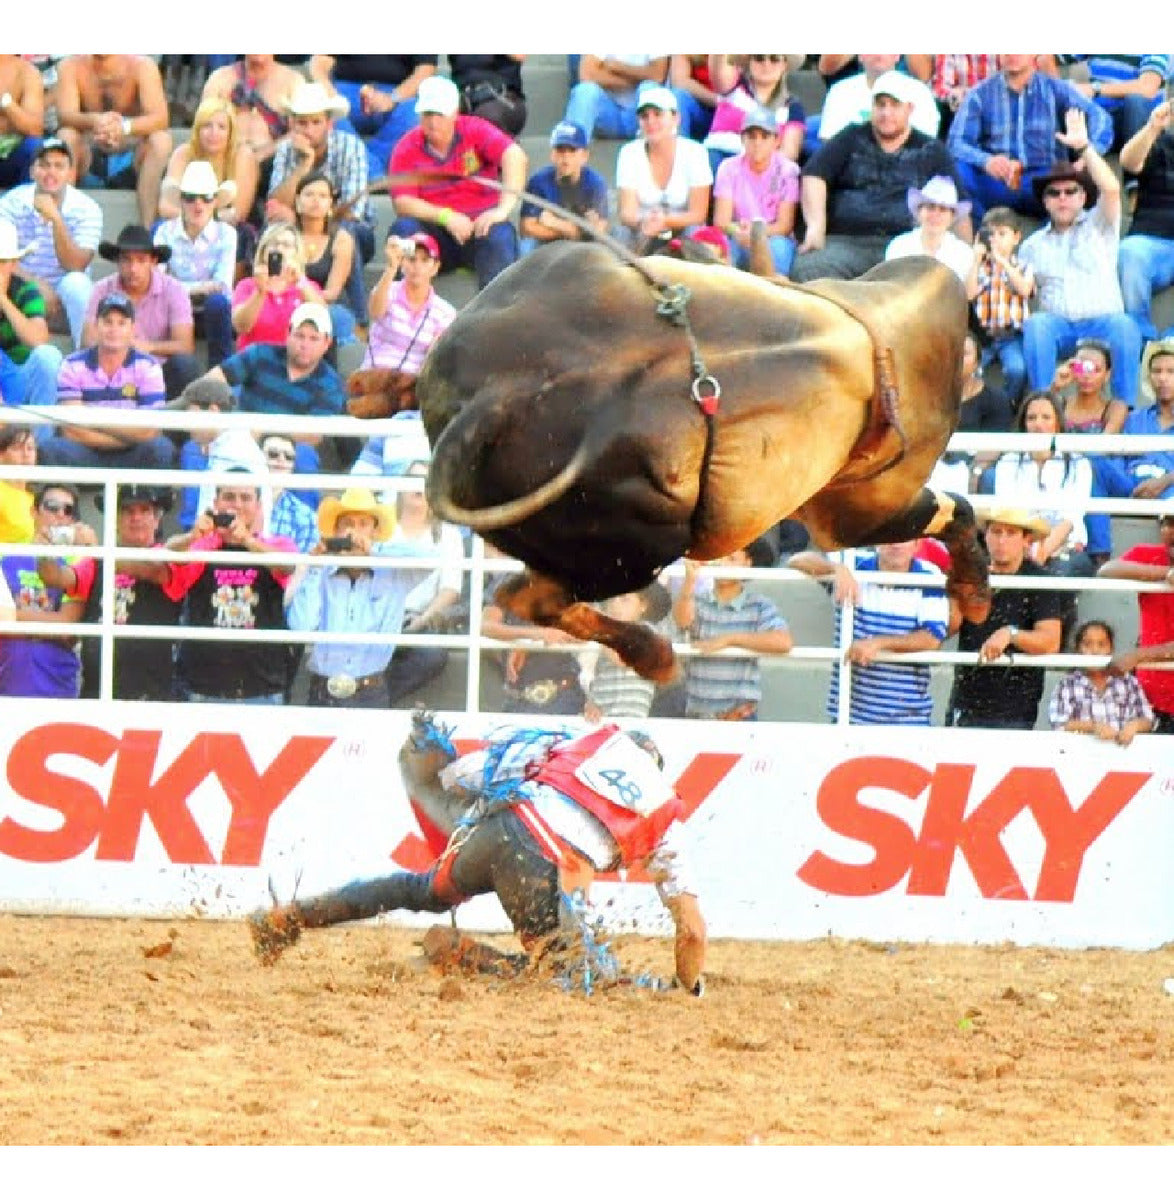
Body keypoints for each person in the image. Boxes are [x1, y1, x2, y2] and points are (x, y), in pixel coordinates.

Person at [249, 713, 707, 998]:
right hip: (539, 863)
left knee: (422, 889)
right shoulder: (664, 810)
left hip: (500, 827)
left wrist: (442, 778)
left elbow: (474, 771)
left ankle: (287, 918)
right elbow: (691, 931)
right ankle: (459, 953)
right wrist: (691, 987)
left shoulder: (578, 743)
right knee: (569, 981)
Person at [1017, 114, 1142, 409]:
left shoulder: (1101, 223)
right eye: (1054, 193)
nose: (1062, 198)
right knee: (1036, 325)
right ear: (1045, 201)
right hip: (1059, 328)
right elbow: (1024, 292)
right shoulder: (1031, 245)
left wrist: (1084, 147)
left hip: (1103, 324)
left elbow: (1111, 189)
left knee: (1125, 326)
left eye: (1070, 191)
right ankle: (1044, 407)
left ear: (1083, 196)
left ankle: (1124, 413)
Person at [791, 71, 964, 284]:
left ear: (909, 109)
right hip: (847, 243)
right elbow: (814, 175)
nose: (886, 112)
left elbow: (958, 201)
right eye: (880, 104)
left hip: (907, 246)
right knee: (808, 267)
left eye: (894, 105)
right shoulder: (850, 137)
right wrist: (816, 227)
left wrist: (965, 252)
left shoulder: (931, 149)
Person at [285, 487, 433, 708]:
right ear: (336, 531)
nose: (354, 533)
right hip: (322, 692)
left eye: (363, 524)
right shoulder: (320, 574)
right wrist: (315, 566)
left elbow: (432, 558)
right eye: (348, 524)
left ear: (375, 531)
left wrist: (375, 550)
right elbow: (300, 627)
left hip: (371, 691)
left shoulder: (394, 572)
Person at [40, 484, 184, 701]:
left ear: (157, 519)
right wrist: (44, 550)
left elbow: (151, 570)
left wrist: (97, 551)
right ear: (115, 520)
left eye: (144, 511)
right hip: (96, 694)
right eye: (127, 511)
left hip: (151, 697)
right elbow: (54, 577)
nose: (135, 518)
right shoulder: (96, 562)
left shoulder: (167, 557)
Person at [387, 75, 527, 292]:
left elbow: (514, 155)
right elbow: (402, 202)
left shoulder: (475, 129)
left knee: (500, 235)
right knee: (404, 229)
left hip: (481, 226)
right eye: (427, 114)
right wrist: (446, 216)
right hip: (434, 236)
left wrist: (503, 210)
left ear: (454, 113)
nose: (433, 122)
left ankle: (496, 313)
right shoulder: (406, 147)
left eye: (440, 114)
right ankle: (400, 308)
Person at [165, 478, 299, 704]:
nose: (237, 504)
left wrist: (246, 539)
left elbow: (286, 565)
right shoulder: (201, 546)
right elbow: (167, 554)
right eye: (229, 497)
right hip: (204, 689)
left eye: (245, 498)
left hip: (263, 688)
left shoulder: (277, 544)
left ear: (258, 506)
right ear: (215, 503)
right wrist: (193, 536)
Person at [787, 541, 949, 725]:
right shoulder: (853, 564)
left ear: (917, 544)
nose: (896, 544)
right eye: (889, 536)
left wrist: (877, 644)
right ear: (876, 541)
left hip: (908, 719)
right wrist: (835, 569)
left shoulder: (929, 576)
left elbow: (932, 639)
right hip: (849, 718)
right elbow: (796, 560)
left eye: (904, 538)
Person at [200, 301, 347, 493]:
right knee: (196, 447)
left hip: (289, 446)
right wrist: (216, 416)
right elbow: (212, 380)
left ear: (327, 343)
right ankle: (195, 522)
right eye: (299, 335)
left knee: (305, 456)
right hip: (240, 435)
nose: (305, 344)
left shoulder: (331, 382)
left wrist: (262, 431)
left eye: (313, 338)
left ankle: (302, 522)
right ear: (287, 334)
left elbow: (314, 434)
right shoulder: (261, 353)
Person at [947, 54, 1113, 222]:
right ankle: (982, 237)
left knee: (1083, 179)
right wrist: (986, 161)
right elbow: (956, 142)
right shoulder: (980, 94)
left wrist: (1088, 155)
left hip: (1046, 181)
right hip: (998, 180)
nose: (1013, 55)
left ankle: (1057, 237)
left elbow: (1100, 118)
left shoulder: (1056, 89)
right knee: (960, 171)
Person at [946, 508, 1065, 730]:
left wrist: (1009, 634)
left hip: (1017, 700)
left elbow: (1050, 641)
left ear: (1026, 540)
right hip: (968, 694)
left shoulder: (1040, 581)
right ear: (986, 536)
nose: (1002, 540)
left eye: (1011, 533)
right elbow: (950, 626)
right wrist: (956, 592)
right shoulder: (971, 574)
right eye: (996, 532)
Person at [39, 292, 175, 471]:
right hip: (86, 453)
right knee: (51, 448)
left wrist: (95, 423)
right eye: (108, 322)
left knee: (160, 447)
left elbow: (150, 431)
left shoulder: (148, 366)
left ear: (133, 328)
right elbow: (71, 430)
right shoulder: (72, 364)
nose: (114, 329)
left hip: (131, 454)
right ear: (96, 326)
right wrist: (124, 436)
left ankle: (142, 499)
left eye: (121, 323)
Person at [672, 543, 793, 720]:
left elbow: (783, 642)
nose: (723, 563)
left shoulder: (759, 605)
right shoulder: (697, 601)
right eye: (718, 557)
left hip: (738, 715)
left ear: (747, 563)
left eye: (731, 558)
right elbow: (682, 621)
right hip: (698, 714)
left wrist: (729, 640)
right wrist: (690, 580)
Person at [0, 137, 102, 349]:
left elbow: (76, 265)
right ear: (31, 171)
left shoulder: (87, 208)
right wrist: (35, 284)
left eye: (59, 166)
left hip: (64, 286)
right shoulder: (11, 202)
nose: (51, 172)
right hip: (19, 279)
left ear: (70, 173)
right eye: (44, 165)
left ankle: (84, 360)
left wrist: (55, 219)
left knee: (78, 283)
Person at [82, 224, 200, 402]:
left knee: (185, 365)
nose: (133, 268)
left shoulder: (174, 289)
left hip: (158, 373)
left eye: (141, 260)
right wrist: (120, 346)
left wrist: (147, 347)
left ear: (153, 261)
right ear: (117, 261)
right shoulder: (101, 289)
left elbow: (185, 345)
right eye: (126, 260)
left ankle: (172, 426)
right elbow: (88, 342)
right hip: (113, 369)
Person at [382, 460, 466, 706]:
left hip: (418, 618)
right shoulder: (382, 525)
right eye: (415, 479)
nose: (420, 488)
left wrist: (423, 619)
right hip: (377, 616)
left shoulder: (448, 534)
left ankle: (380, 698)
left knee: (432, 656)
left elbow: (450, 589)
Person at [266, 81, 374, 270]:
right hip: (298, 228)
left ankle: (354, 298)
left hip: (348, 228)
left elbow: (351, 212)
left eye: (316, 122)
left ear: (329, 124)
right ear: (292, 124)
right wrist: (304, 165)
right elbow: (276, 203)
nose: (309, 130)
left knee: (348, 233)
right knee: (273, 229)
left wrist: (305, 217)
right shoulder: (285, 148)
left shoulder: (350, 147)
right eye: (302, 123)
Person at [54, 54, 172, 227]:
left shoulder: (143, 66)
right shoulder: (70, 66)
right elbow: (64, 116)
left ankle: (148, 232)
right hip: (89, 157)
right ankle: (59, 227)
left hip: (130, 157)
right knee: (66, 136)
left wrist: (124, 127)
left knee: (161, 140)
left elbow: (161, 118)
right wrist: (95, 121)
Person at [991, 391, 1096, 585]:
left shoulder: (1078, 463)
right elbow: (1008, 514)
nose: (1038, 425)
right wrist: (1026, 551)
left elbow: (1070, 518)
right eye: (1031, 418)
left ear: (1058, 423)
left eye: (1046, 417)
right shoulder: (1008, 461)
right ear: (1024, 424)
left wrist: (1043, 551)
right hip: (1019, 546)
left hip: (1067, 547)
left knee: (1054, 576)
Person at [0, 482, 93, 698]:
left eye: (68, 510)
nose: (60, 514)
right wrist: (46, 622)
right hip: (7, 680)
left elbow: (67, 626)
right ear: (33, 511)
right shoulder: (5, 557)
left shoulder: (78, 562)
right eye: (52, 506)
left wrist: (12, 618)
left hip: (57, 684)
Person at [153, 159, 238, 369]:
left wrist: (178, 287)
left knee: (218, 303)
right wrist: (199, 288)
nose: (198, 204)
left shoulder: (227, 233)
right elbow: (156, 282)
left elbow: (223, 285)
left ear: (216, 201)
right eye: (190, 198)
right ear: (181, 201)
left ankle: (221, 372)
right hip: (174, 308)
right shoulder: (164, 231)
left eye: (206, 198)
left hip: (211, 311)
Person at [1097, 511, 1174, 734]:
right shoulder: (1149, 554)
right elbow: (1106, 570)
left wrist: (1139, 655)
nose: (1171, 530)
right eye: (1167, 523)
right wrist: (1166, 573)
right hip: (1150, 697)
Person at [308, 54, 437, 179]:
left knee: (416, 113)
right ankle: (374, 174)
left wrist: (393, 98)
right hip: (346, 89)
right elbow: (320, 60)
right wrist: (329, 92)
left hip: (398, 92)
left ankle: (365, 169)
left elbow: (425, 69)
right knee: (326, 112)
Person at [169, 375, 269, 532]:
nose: (186, 427)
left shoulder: (235, 452)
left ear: (213, 411)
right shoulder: (232, 446)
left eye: (190, 414)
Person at [615, 87, 712, 248]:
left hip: (683, 229)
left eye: (658, 114)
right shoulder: (629, 152)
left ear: (676, 118)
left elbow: (698, 214)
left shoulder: (696, 152)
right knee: (620, 233)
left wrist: (665, 221)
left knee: (696, 232)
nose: (650, 121)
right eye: (644, 116)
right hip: (643, 227)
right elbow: (627, 212)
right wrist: (644, 222)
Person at [711, 106, 799, 275]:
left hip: (773, 236)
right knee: (721, 250)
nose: (757, 143)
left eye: (764, 137)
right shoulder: (728, 168)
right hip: (739, 234)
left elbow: (784, 225)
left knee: (778, 249)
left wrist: (756, 234)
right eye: (751, 136)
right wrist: (737, 231)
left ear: (776, 141)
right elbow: (721, 221)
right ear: (742, 139)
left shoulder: (788, 171)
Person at [156, 96, 259, 237]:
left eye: (221, 127)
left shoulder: (242, 155)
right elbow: (165, 207)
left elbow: (238, 213)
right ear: (197, 129)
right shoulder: (184, 153)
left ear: (231, 133)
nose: (214, 133)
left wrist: (195, 217)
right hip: (185, 226)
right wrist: (197, 220)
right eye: (207, 126)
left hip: (227, 230)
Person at [1117, 101, 1174, 344]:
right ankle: (1140, 338)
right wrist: (1152, 128)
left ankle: (1171, 342)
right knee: (1129, 252)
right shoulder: (1158, 143)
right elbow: (1128, 162)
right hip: (1152, 242)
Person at [966, 205, 1034, 405]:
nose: (995, 239)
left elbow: (1024, 290)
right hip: (982, 336)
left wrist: (1003, 262)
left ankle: (1008, 404)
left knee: (1017, 369)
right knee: (970, 370)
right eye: (991, 234)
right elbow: (969, 294)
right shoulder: (978, 267)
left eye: (1002, 234)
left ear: (1016, 237)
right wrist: (976, 260)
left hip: (1010, 336)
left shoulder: (1023, 266)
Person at [1048, 619, 1154, 745]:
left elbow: (1148, 720)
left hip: (1123, 755)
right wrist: (1093, 727)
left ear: (1111, 649)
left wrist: (1134, 726)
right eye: (1087, 644)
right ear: (1078, 649)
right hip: (1080, 754)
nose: (1095, 650)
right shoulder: (1067, 684)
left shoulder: (1128, 682)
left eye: (1102, 644)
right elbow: (1058, 722)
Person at [581, 583, 671, 722]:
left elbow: (624, 659)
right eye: (612, 599)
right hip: (600, 713)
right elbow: (590, 673)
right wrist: (590, 700)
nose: (615, 605)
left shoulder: (649, 633)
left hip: (631, 713)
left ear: (642, 606)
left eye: (624, 599)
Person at [200, 55, 302, 176]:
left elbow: (300, 132)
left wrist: (261, 155)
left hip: (273, 163)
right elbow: (202, 125)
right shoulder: (220, 79)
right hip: (225, 160)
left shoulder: (293, 81)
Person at [230, 222, 324, 353]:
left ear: (297, 252)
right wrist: (260, 292)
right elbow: (241, 326)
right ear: (263, 251)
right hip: (254, 360)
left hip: (293, 361)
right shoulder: (247, 285)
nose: (279, 249)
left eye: (286, 245)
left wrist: (300, 282)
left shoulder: (308, 287)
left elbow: (322, 319)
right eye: (273, 244)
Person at [704, 54, 806, 174]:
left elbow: (789, 152)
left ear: (784, 65)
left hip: (761, 168)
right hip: (717, 155)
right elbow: (719, 70)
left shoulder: (793, 106)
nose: (766, 64)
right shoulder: (733, 87)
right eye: (759, 58)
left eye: (774, 59)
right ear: (749, 63)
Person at [519, 121, 610, 255]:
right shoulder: (539, 181)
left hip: (583, 245)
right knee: (528, 246)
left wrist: (555, 223)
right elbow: (527, 227)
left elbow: (599, 229)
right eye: (560, 150)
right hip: (546, 242)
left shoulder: (595, 183)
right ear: (552, 154)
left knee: (604, 249)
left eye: (572, 151)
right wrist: (569, 230)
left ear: (584, 156)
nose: (566, 157)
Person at [0, 220, 63, 407]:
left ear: (14, 264)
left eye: (2, 261)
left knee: (48, 356)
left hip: (21, 376)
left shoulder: (25, 290)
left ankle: (41, 436)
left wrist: (2, 299)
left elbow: (38, 341)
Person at [293, 171, 360, 346]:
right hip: (289, 302)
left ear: (330, 204)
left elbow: (331, 293)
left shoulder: (341, 238)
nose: (316, 200)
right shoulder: (285, 235)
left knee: (336, 317)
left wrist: (305, 295)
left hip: (327, 305)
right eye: (309, 194)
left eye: (323, 196)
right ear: (297, 201)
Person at [816, 54, 939, 144]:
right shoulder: (840, 90)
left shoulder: (919, 92)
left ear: (897, 56)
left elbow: (926, 143)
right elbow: (829, 142)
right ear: (859, 56)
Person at [1061, 54, 1172, 152]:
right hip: (1097, 113)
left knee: (1136, 100)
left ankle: (1135, 173)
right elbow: (1053, 57)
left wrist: (1093, 89)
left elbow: (1147, 89)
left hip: (1134, 119)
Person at [885, 175, 975, 282]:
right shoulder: (899, 247)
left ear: (952, 218)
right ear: (919, 212)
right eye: (930, 207)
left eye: (942, 209)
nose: (935, 214)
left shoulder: (963, 253)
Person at [562, 55, 670, 142]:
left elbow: (657, 76)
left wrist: (617, 67)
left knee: (649, 88)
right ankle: (571, 149)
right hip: (608, 113)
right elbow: (587, 75)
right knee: (585, 90)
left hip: (640, 114)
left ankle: (650, 156)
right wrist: (636, 80)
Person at [448, 55, 527, 137]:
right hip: (463, 98)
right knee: (441, 123)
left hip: (501, 97)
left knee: (483, 122)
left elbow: (519, 56)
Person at [0, 54, 44, 189]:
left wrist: (5, 102)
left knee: (35, 147)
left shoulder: (27, 73)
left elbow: (34, 128)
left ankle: (27, 206)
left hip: (9, 158)